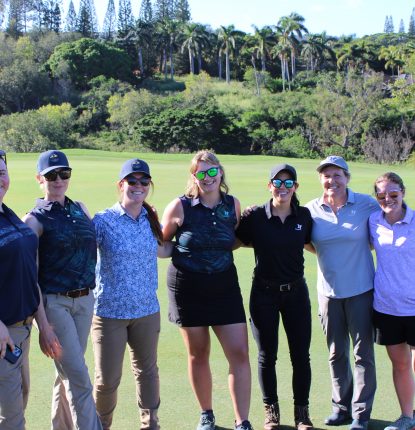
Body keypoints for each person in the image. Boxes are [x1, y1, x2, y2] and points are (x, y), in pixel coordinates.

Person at [161, 150, 253, 430]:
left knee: (239, 352)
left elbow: (234, 239)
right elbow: (163, 244)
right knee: (198, 353)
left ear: (220, 173)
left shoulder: (232, 205)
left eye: (212, 171)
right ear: (194, 176)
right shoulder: (179, 206)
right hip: (187, 287)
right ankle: (207, 414)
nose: (208, 177)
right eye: (201, 172)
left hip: (224, 285)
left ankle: (242, 421)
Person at [23, 150, 102, 430]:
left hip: (84, 301)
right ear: (39, 179)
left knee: (68, 372)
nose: (58, 180)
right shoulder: (34, 220)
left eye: (64, 174)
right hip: (55, 305)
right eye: (51, 175)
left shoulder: (80, 207)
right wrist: (43, 326)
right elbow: (29, 276)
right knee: (79, 377)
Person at [91, 158, 172, 430]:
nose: (138, 186)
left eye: (144, 182)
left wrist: (196, 241)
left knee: (148, 373)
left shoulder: (150, 219)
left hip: (147, 311)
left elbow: (162, 250)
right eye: (132, 181)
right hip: (109, 312)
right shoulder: (103, 221)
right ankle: (101, 425)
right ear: (121, 184)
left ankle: (151, 424)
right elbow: (81, 254)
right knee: (106, 380)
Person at [236, 164, 314, 430]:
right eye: (277, 183)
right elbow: (236, 240)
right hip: (264, 294)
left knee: (300, 356)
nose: (282, 188)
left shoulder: (304, 216)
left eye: (288, 183)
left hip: (296, 294)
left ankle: (302, 414)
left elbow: (312, 244)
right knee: (267, 356)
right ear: (269, 186)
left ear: (295, 187)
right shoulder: (255, 216)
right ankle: (271, 414)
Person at [305, 155, 378, 430]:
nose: (331, 180)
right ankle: (341, 407)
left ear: (347, 177)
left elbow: (378, 236)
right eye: (326, 175)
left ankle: (361, 413)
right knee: (336, 353)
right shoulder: (311, 209)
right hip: (328, 293)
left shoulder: (366, 205)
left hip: (361, 290)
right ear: (320, 179)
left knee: (363, 355)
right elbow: (308, 243)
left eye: (337, 175)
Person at [0, 149, 61, 429]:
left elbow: (28, 276)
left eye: (1, 172)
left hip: (21, 331)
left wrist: (44, 327)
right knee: (11, 418)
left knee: (20, 400)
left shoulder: (9, 214)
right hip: (4, 334)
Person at [369, 172, 415, 430]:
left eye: (393, 194)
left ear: (403, 193)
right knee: (400, 365)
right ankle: (407, 417)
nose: (388, 199)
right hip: (386, 307)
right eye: (382, 195)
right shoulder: (373, 221)